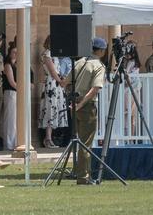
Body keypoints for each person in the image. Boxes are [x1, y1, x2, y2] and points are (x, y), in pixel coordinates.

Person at [72, 37, 106, 184]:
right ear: (101, 51)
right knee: (86, 143)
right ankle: (83, 177)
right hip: (86, 106)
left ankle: (79, 172)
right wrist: (81, 104)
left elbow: (66, 81)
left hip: (74, 103)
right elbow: (95, 89)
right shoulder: (98, 65)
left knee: (78, 142)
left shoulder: (79, 62)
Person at [39, 35, 67, 149]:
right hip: (51, 84)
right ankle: (48, 138)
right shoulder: (47, 54)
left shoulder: (54, 54)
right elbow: (52, 71)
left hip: (56, 84)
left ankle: (50, 137)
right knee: (50, 110)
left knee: (55, 110)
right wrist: (60, 81)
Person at [1, 43, 18, 152]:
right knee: (10, 119)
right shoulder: (8, 65)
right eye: (14, 52)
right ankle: (8, 144)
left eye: (17, 52)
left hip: (17, 93)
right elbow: (12, 82)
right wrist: (23, 89)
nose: (16, 54)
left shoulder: (17, 65)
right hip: (10, 93)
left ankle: (15, 142)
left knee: (15, 119)